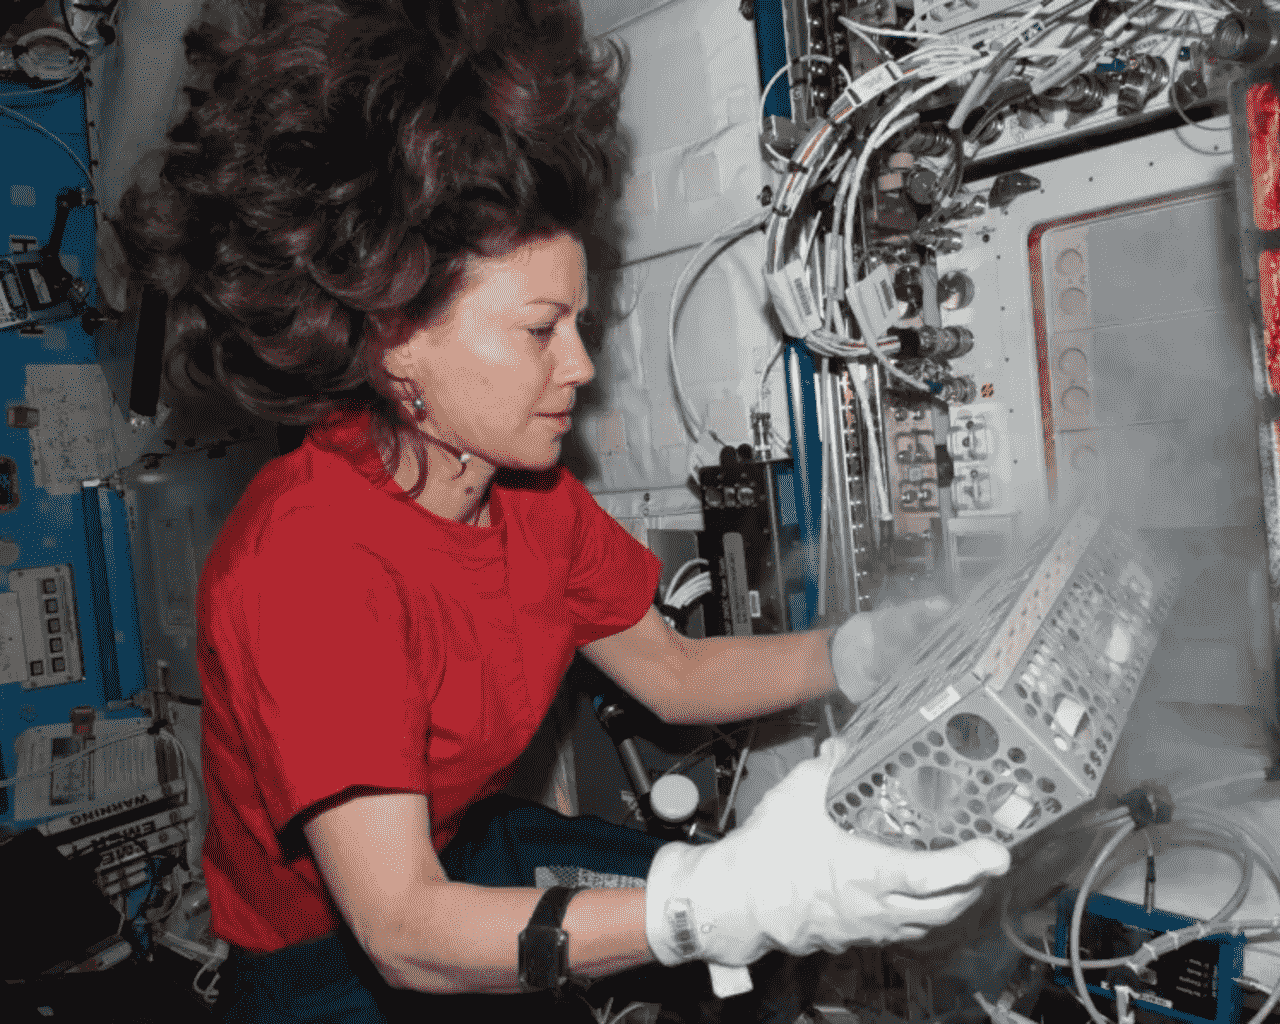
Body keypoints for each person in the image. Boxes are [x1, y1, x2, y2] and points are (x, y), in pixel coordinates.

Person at [114, 0, 1011, 1020]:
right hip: (328, 961)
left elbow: (671, 674)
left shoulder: (527, 494)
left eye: (579, 324)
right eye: (540, 329)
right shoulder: (307, 566)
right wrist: (714, 904)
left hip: (467, 842)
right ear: (396, 340)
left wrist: (859, 651)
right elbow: (404, 929)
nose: (579, 366)